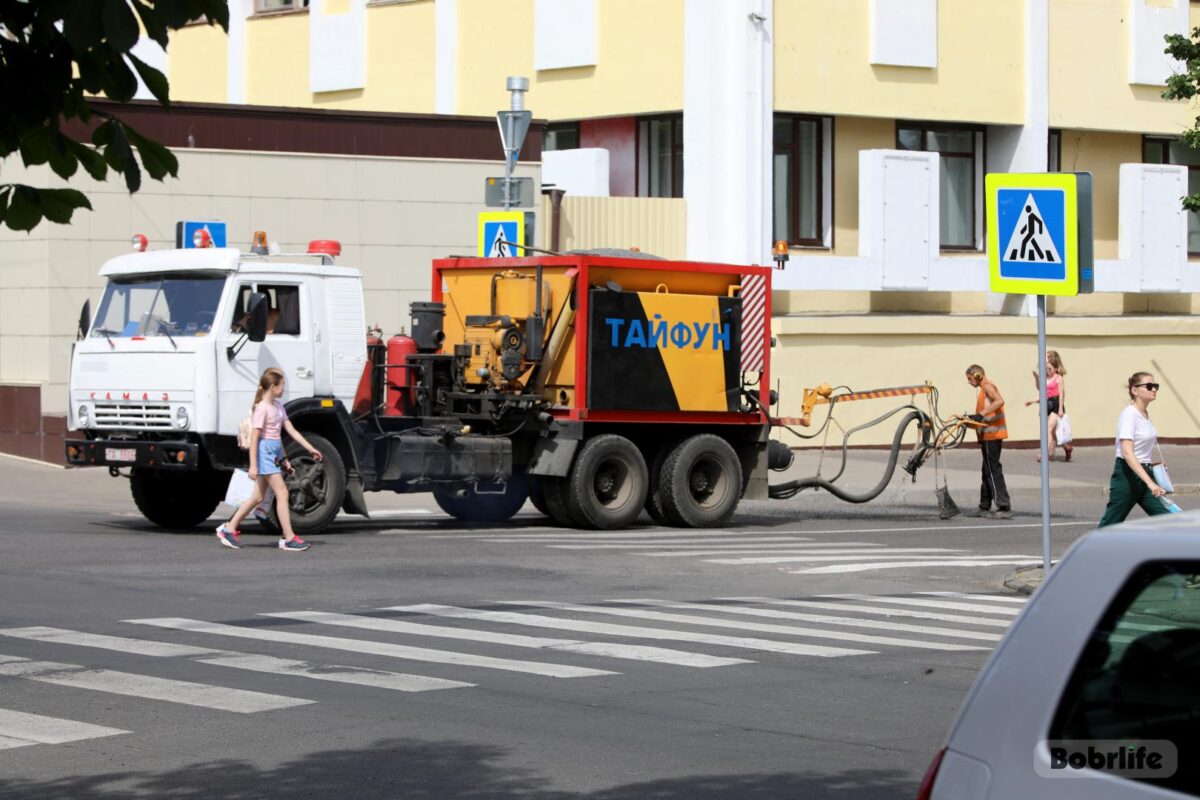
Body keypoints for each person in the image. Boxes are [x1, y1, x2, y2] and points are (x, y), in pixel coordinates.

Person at [216, 367, 323, 551]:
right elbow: (256, 438)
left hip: (272, 455)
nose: (284, 389)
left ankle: (229, 528)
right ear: (273, 387)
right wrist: (253, 465)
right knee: (282, 493)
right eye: (282, 386)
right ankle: (288, 538)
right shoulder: (262, 409)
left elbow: (287, 433)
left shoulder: (278, 407)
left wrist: (294, 455)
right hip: (264, 455)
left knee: (257, 497)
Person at [1097, 372, 1170, 527]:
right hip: (1127, 477)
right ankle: (1088, 551)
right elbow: (1127, 452)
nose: (1154, 389)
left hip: (1144, 474)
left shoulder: (1144, 414)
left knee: (1171, 519)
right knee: (1109, 526)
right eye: (1149, 386)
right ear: (1134, 390)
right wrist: (1150, 483)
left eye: (1155, 386)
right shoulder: (1129, 415)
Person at [964, 365, 1012, 519]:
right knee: (986, 470)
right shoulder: (983, 389)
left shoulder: (987, 386)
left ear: (978, 375)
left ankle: (1003, 506)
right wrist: (972, 419)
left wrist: (981, 414)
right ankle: (984, 506)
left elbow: (999, 401)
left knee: (992, 470)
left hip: (993, 435)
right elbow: (984, 414)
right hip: (987, 436)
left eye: (970, 378)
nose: (969, 382)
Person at [1025, 350, 1073, 463]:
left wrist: (1061, 408)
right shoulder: (1045, 378)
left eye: (1049, 369)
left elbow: (1061, 394)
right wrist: (1037, 379)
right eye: (1046, 369)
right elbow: (1040, 389)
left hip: (1056, 404)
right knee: (1053, 432)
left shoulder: (1059, 379)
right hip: (1046, 403)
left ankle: (1045, 454)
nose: (1047, 371)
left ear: (1056, 368)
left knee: (1048, 429)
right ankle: (1067, 448)